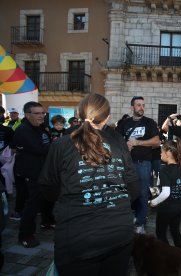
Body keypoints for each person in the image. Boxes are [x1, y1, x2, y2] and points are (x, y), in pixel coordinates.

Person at [38, 94, 139, 275]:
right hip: (116, 232)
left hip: (79, 235)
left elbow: (48, 187)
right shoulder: (118, 142)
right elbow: (133, 187)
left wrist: (70, 199)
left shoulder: (61, 144)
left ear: (79, 113)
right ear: (107, 117)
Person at [115, 96, 160, 234]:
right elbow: (116, 140)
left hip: (143, 164)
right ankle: (129, 219)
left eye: (143, 105)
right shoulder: (124, 123)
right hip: (126, 164)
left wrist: (137, 143)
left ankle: (140, 222)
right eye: (138, 105)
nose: (141, 107)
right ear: (132, 107)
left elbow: (157, 141)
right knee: (126, 193)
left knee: (142, 194)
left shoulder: (149, 122)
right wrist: (124, 146)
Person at [12, 101, 51, 247]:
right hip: (29, 173)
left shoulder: (39, 127)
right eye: (37, 113)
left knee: (38, 203)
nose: (41, 116)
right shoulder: (24, 130)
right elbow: (40, 149)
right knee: (31, 206)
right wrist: (56, 144)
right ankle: (25, 235)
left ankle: (44, 223)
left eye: (43, 113)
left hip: (40, 172)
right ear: (28, 115)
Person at [150, 139, 181, 248]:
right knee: (175, 230)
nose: (160, 153)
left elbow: (166, 193)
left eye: (161, 151)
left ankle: (168, 255)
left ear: (168, 153)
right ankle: (180, 254)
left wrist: (153, 202)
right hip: (180, 206)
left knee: (160, 233)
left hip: (167, 208)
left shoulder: (164, 170)